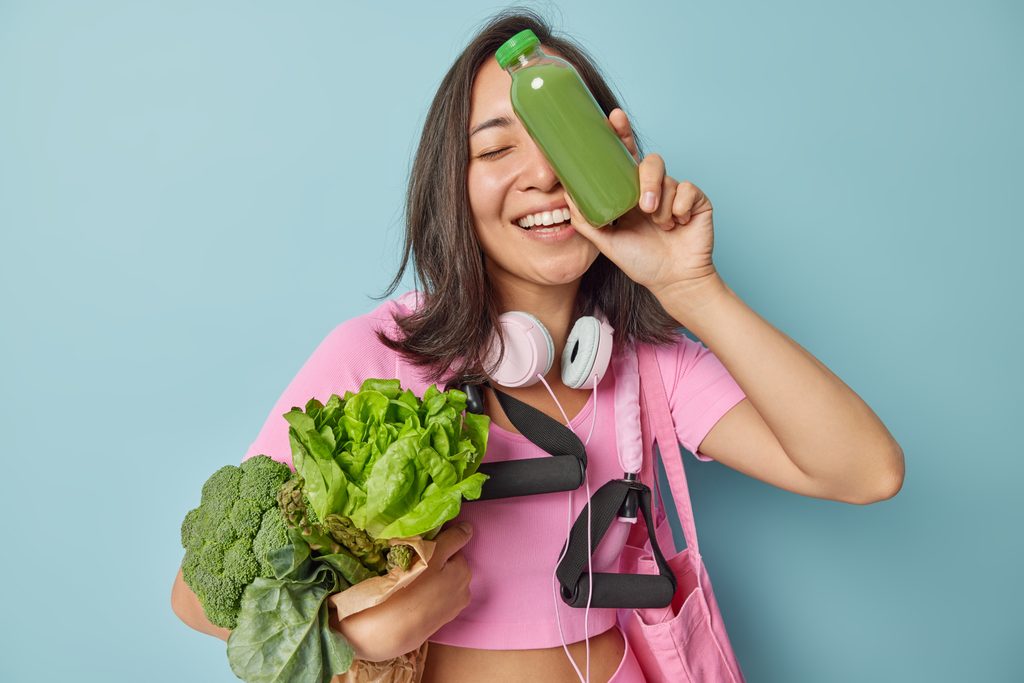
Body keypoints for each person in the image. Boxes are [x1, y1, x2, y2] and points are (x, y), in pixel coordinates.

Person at [171, 8, 905, 682]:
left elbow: (866, 470)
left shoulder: (650, 364)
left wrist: (692, 289)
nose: (544, 174)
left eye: (563, 140)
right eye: (496, 149)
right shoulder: (380, 357)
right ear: (452, 187)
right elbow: (199, 596)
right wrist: (354, 629)